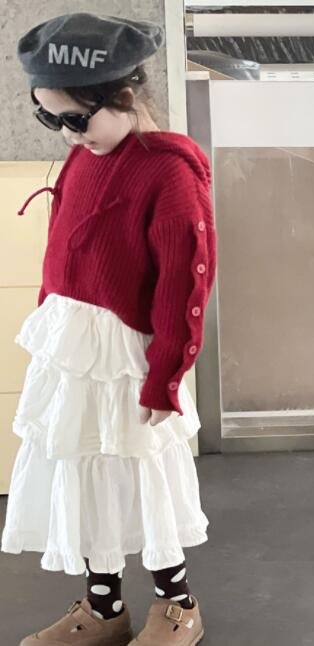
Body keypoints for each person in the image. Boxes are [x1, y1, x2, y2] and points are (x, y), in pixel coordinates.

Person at [3, 11, 215, 646]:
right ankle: (104, 610)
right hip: (74, 354)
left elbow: (184, 285)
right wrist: (48, 321)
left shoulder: (168, 173)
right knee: (88, 475)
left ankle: (178, 605)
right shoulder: (84, 157)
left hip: (127, 358)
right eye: (51, 120)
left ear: (123, 97)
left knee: (138, 476)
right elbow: (61, 251)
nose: (68, 135)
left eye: (75, 119)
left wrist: (166, 377)